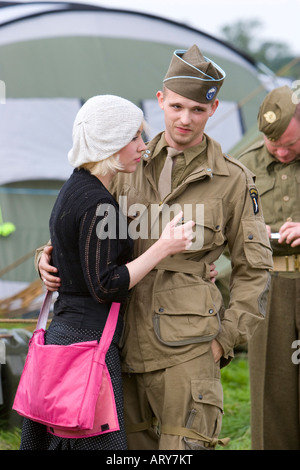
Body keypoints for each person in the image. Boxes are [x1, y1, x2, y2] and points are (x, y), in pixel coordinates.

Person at [37, 45, 273, 450]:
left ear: (213, 111)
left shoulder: (233, 180)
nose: (185, 119)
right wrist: (51, 255)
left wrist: (224, 339)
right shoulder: (123, 163)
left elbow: (255, 268)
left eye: (198, 110)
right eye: (178, 106)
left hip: (188, 348)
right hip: (118, 342)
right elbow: (87, 223)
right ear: (161, 99)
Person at [20, 94, 195, 451]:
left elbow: (71, 258)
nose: (143, 147)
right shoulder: (100, 202)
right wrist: (165, 246)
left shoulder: (73, 187)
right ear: (109, 141)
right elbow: (106, 285)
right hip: (88, 345)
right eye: (134, 138)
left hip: (64, 335)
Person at [238, 85, 300, 450]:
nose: (279, 150)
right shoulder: (245, 164)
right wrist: (245, 233)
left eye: (290, 144)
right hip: (270, 285)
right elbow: (214, 223)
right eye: (270, 142)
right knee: (272, 393)